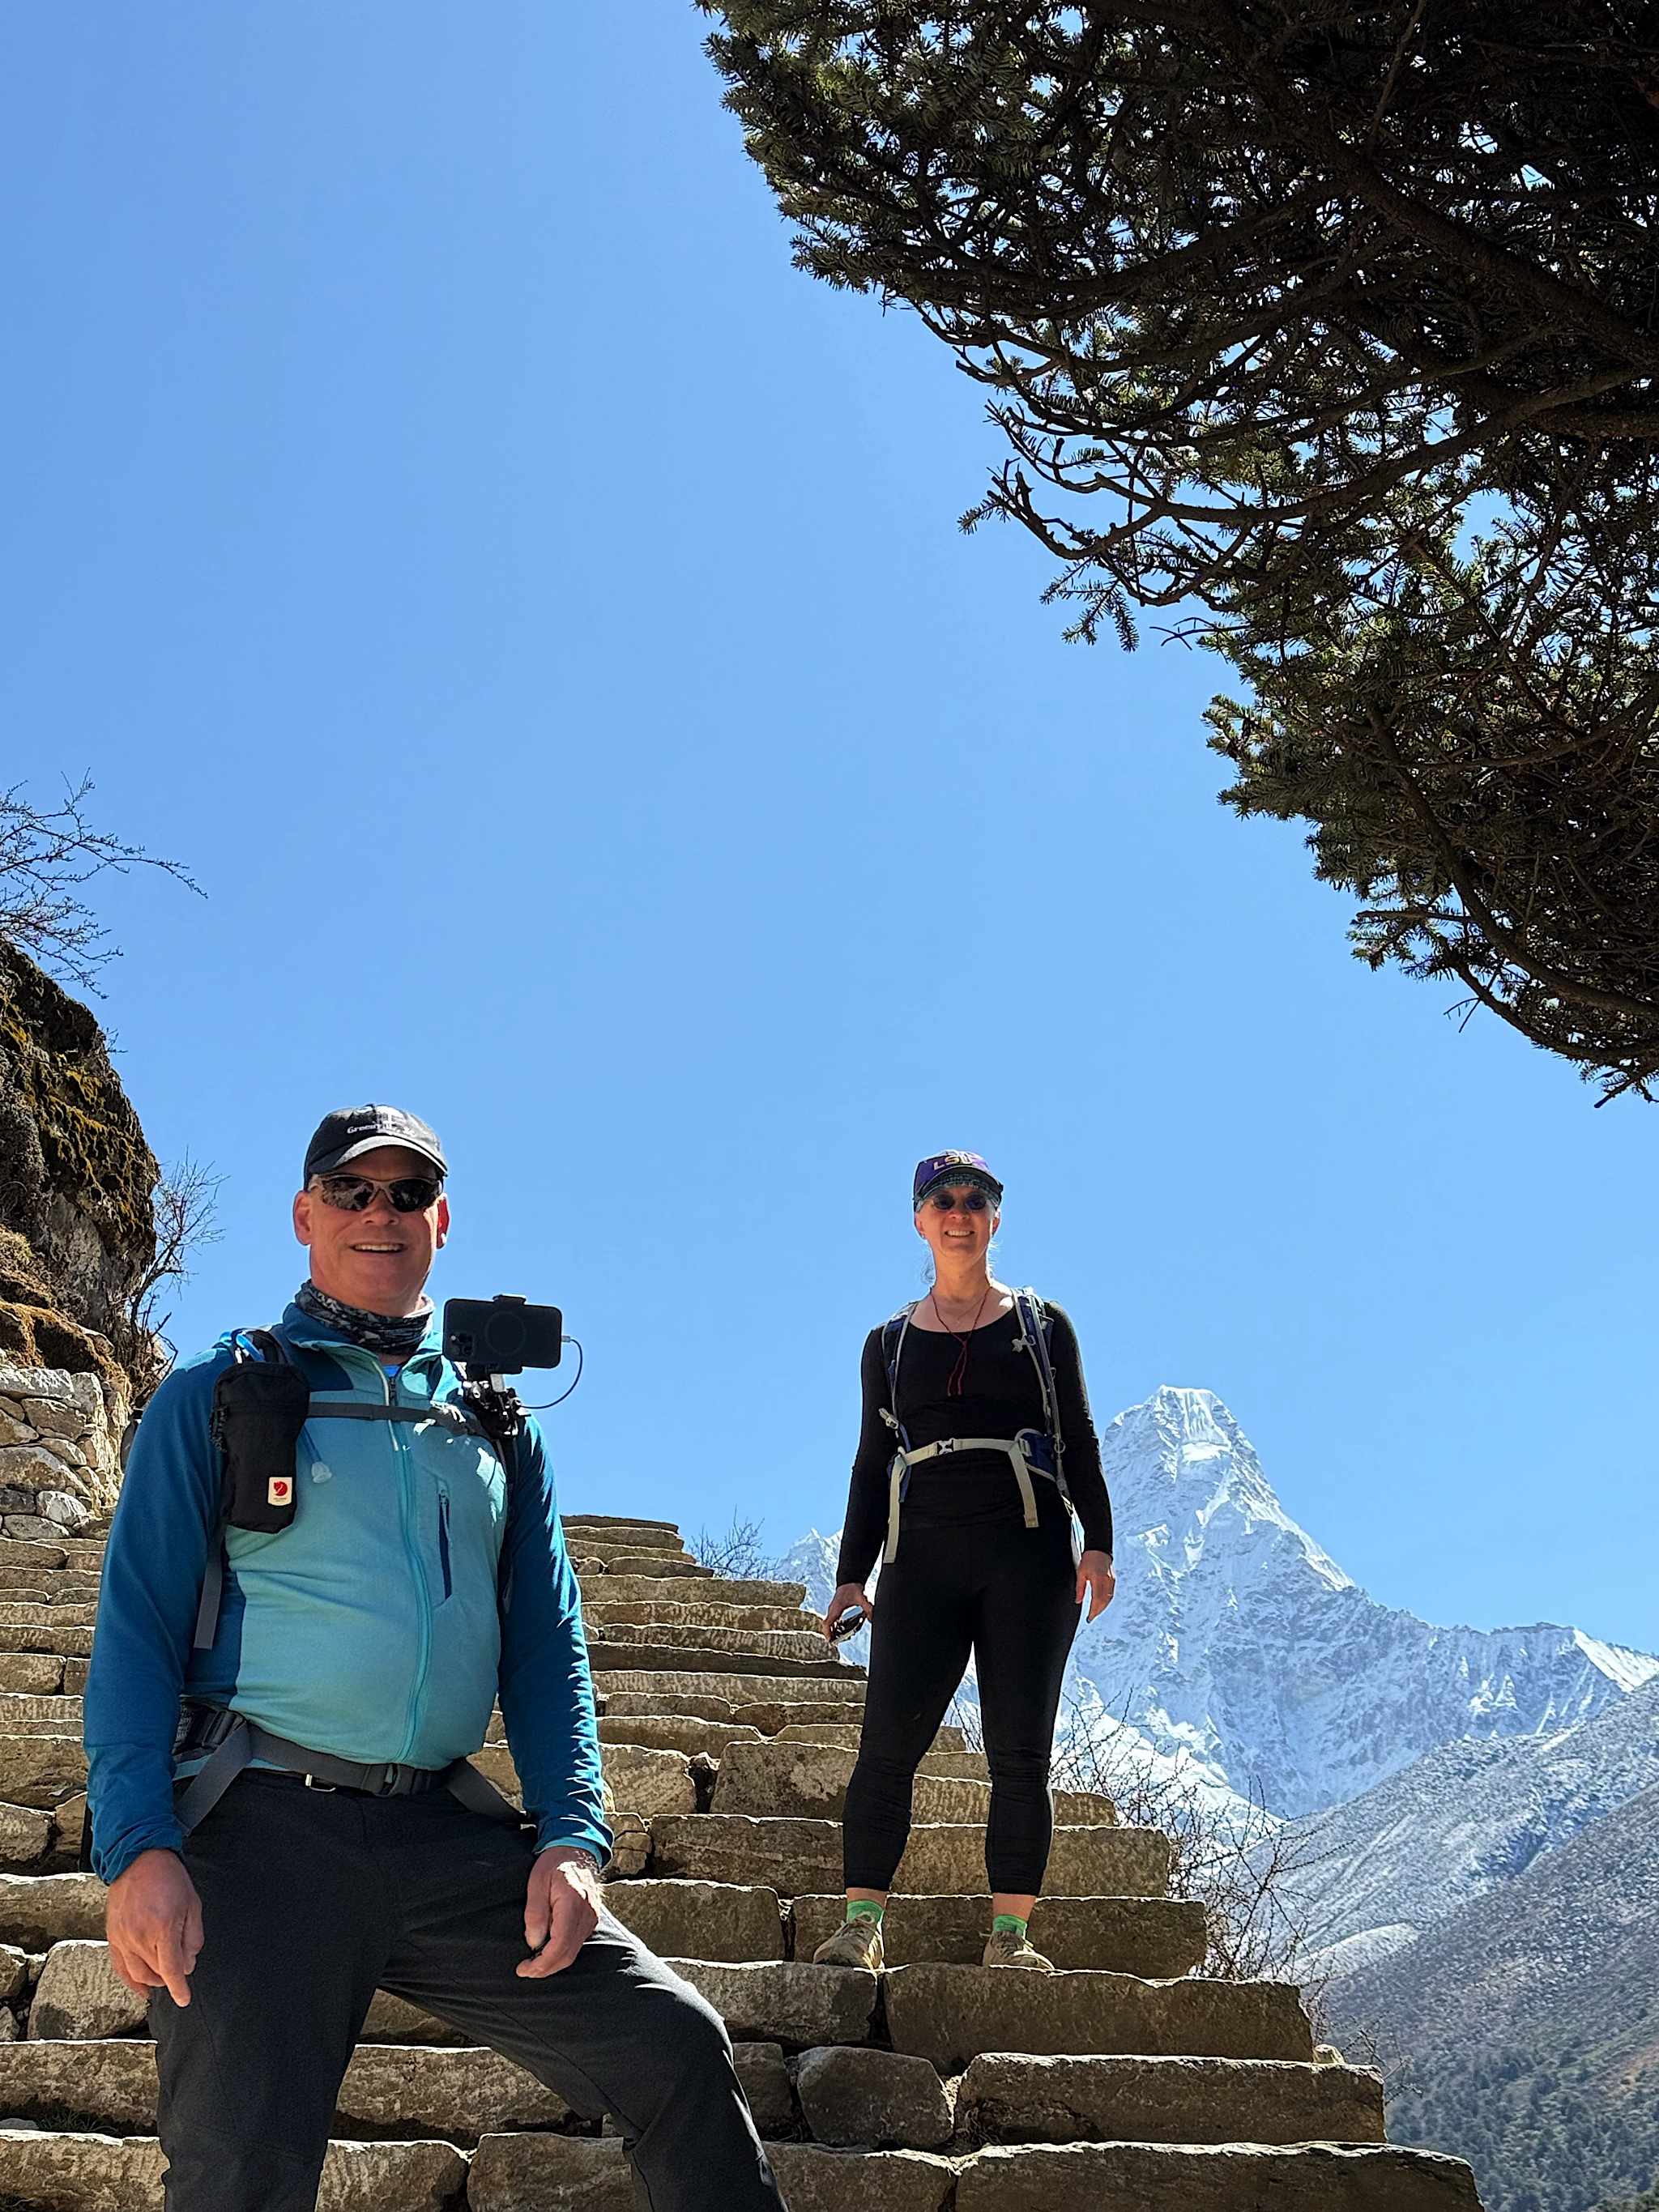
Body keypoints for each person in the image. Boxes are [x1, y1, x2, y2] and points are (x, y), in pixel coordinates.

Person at [84, 1102, 784, 2212]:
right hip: (256, 1830)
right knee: (239, 2175)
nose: (381, 1212)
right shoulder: (218, 1394)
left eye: (407, 1192)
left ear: (440, 1220)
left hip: (445, 1836)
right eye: (352, 1190)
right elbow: (135, 1628)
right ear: (305, 1214)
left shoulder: (497, 1426)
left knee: (676, 2046)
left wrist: (572, 1835)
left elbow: (548, 1647)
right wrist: (136, 1847)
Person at [814, 1150, 1115, 1974]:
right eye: (943, 1200)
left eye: (974, 1200)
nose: (959, 1212)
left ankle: (1009, 1937)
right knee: (885, 1748)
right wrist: (851, 1573)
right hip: (921, 1563)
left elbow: (1079, 1438)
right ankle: (860, 1925)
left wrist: (1098, 1541)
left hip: (1028, 1557)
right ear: (919, 1220)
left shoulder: (1043, 1327)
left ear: (994, 1218)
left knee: (1020, 1752)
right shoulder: (887, 1344)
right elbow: (871, 1460)